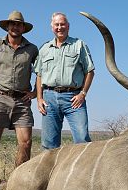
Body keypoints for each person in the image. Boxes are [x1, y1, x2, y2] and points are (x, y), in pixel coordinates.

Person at [0, 11, 38, 190]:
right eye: (12, 24)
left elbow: (42, 72)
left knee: (26, 142)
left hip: (22, 101)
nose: (15, 27)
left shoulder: (32, 49)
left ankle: (17, 186)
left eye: (18, 24)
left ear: (23, 28)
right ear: (7, 27)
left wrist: (34, 93)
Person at [34, 12, 95, 149]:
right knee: (49, 144)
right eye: (57, 24)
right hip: (49, 98)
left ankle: (84, 171)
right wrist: (39, 98)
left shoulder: (79, 45)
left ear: (68, 26)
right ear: (52, 27)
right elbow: (39, 75)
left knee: (82, 139)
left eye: (62, 24)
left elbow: (90, 71)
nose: (60, 27)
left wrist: (83, 93)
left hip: (74, 98)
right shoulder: (44, 48)